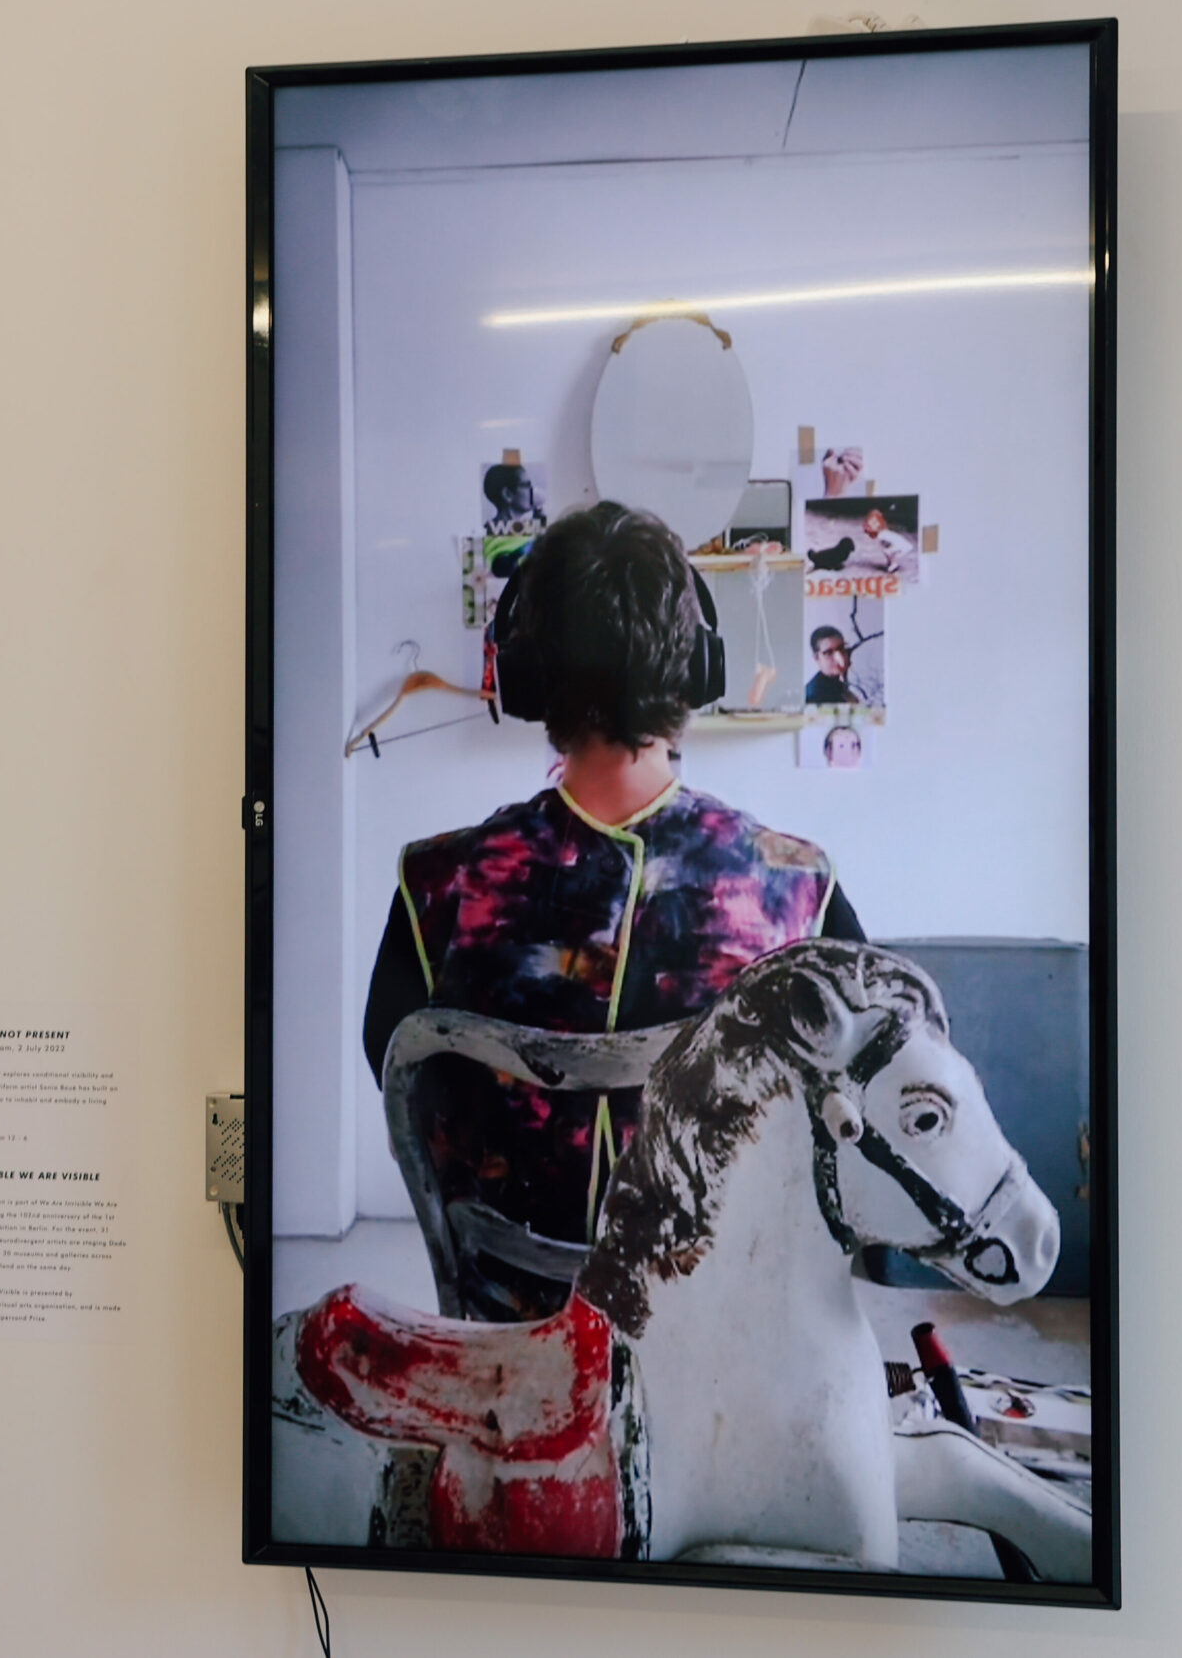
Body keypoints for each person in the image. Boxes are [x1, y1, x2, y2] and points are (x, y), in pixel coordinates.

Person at [364, 503, 865, 1319]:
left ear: (525, 678)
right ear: (698, 666)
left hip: (513, 1330)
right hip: (714, 1338)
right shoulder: (800, 888)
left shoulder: (437, 884)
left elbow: (402, 1087)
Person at [845, 505, 914, 577]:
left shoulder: (882, 535)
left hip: (902, 546)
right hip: (900, 545)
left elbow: (891, 544)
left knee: (888, 551)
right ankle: (891, 564)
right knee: (887, 551)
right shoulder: (882, 532)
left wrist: (891, 555)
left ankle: (894, 565)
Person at [805, 625, 857, 704]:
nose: (839, 658)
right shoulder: (815, 696)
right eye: (828, 653)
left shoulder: (839, 684)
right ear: (816, 658)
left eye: (841, 649)